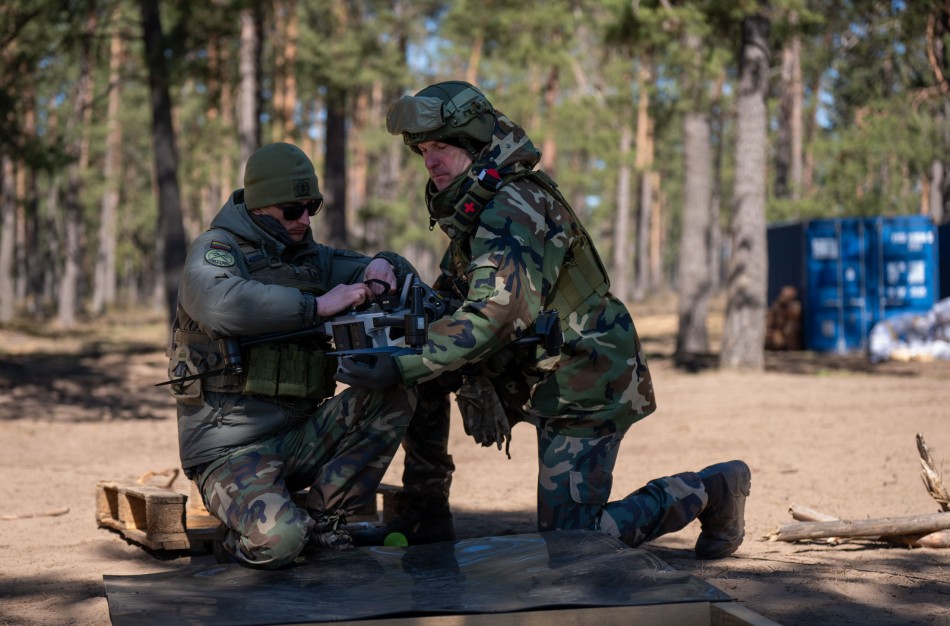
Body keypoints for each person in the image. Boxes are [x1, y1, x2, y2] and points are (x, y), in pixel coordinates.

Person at [341, 81, 751, 560]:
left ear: (474, 144)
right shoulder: (477, 205)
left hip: (584, 376)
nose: (430, 162)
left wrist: (402, 362)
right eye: (423, 150)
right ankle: (424, 515)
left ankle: (712, 489)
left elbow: (493, 316)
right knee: (420, 369)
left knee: (574, 544)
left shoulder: (512, 207)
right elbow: (452, 299)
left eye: (442, 148)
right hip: (526, 366)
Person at [167, 142, 419, 569]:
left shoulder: (312, 258)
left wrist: (383, 263)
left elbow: (378, 270)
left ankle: (323, 521)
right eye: (291, 210)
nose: (304, 220)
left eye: (311, 208)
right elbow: (218, 303)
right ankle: (238, 541)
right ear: (259, 207)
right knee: (280, 542)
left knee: (397, 386)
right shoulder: (217, 249)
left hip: (300, 436)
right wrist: (317, 306)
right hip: (230, 449)